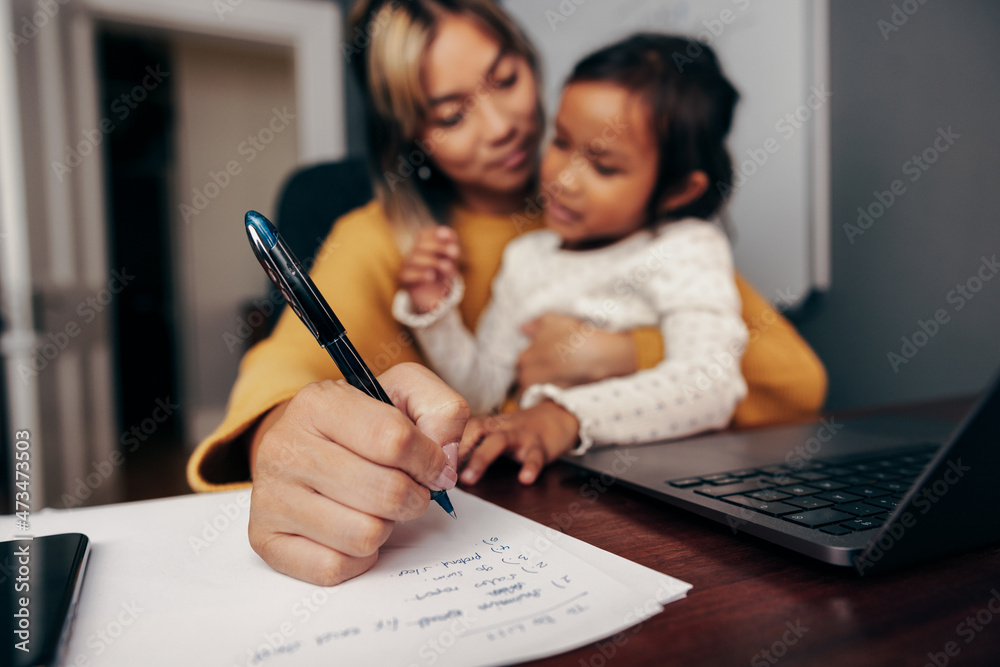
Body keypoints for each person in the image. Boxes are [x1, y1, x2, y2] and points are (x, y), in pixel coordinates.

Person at [186, 0, 827, 586]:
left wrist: (624, 351)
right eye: (452, 113)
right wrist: (281, 436)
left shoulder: (633, 219)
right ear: (412, 134)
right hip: (524, 528)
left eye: (505, 79)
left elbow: (789, 378)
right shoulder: (394, 237)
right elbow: (291, 364)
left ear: (529, 58)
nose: (502, 127)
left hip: (668, 517)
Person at [394, 33, 750, 485]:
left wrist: (564, 416)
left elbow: (711, 385)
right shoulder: (526, 258)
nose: (563, 177)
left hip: (661, 491)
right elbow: (481, 391)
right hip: (546, 489)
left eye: (603, 166)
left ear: (679, 189)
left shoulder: (686, 248)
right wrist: (434, 313)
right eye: (560, 141)